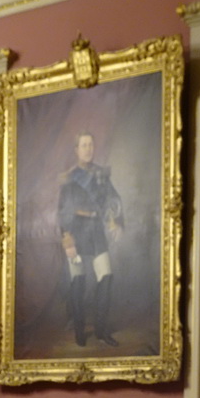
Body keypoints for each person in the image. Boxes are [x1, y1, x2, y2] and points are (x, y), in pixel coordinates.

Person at [57, 132, 124, 347]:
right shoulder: (69, 178)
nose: (88, 148)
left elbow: (113, 199)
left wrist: (116, 221)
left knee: (106, 277)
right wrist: (67, 237)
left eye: (90, 144)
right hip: (75, 233)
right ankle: (79, 330)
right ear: (76, 150)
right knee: (78, 282)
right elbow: (62, 209)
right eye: (83, 145)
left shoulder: (101, 174)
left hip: (96, 232)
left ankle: (101, 330)